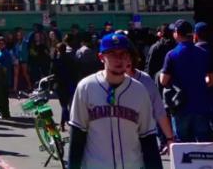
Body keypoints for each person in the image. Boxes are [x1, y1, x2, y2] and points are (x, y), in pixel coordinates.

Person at [68, 32, 162, 169]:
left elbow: (148, 139)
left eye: (123, 54)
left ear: (129, 58)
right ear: (101, 57)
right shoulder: (86, 87)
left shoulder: (139, 91)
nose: (119, 59)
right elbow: (77, 136)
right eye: (112, 54)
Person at [160, 19, 213, 142]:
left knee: (183, 145)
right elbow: (212, 80)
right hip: (201, 105)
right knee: (203, 142)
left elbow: (163, 81)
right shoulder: (204, 53)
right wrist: (200, 86)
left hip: (180, 106)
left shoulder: (172, 55)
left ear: (176, 33)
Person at [126, 44, 175, 151]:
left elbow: (159, 110)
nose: (125, 61)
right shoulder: (105, 83)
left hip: (144, 136)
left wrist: (169, 138)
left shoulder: (145, 79)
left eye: (128, 57)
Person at [51, 42, 77, 130]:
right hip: (69, 83)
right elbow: (74, 71)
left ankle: (65, 122)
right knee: (67, 103)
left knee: (63, 104)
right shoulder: (70, 59)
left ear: (58, 50)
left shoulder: (57, 60)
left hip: (60, 84)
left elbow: (53, 73)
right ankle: (64, 123)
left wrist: (52, 85)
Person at [13, 28, 32, 92]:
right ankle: (15, 88)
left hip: (24, 59)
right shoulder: (16, 43)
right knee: (16, 74)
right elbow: (15, 51)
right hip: (17, 59)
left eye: (20, 35)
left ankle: (30, 86)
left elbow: (27, 52)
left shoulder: (26, 42)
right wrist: (15, 57)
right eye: (17, 35)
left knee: (25, 73)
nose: (18, 36)